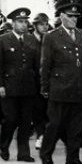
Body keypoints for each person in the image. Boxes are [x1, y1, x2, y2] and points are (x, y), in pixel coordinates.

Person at [40, 0, 82, 164]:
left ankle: (73, 159)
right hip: (60, 89)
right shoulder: (51, 37)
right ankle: (46, 155)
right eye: (70, 16)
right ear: (62, 16)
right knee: (54, 125)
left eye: (76, 16)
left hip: (79, 88)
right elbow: (45, 64)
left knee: (76, 127)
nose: (74, 19)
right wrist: (45, 87)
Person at [0, 7, 39, 162]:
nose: (23, 25)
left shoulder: (32, 40)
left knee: (26, 122)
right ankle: (4, 148)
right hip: (9, 88)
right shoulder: (2, 40)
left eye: (25, 22)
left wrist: (38, 85)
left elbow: (37, 64)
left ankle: (23, 153)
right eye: (20, 21)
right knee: (10, 120)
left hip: (27, 88)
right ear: (13, 23)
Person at [31, 12, 50, 150]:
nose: (44, 27)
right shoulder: (28, 40)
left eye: (46, 24)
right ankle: (40, 136)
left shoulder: (51, 39)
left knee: (50, 109)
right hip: (34, 81)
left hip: (49, 80)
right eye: (41, 24)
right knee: (38, 110)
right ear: (35, 26)